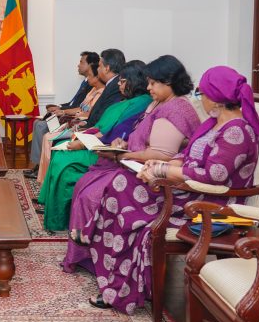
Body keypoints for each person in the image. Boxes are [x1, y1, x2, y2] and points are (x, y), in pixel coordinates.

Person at [70, 65, 259, 314]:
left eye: (202, 93)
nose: (200, 98)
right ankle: (112, 272)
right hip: (187, 190)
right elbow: (187, 155)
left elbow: (214, 176)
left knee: (125, 202)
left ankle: (115, 278)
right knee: (122, 184)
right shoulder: (215, 124)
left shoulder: (236, 131)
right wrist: (157, 165)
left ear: (216, 97)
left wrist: (163, 170)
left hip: (208, 204)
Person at [63, 54, 201, 274]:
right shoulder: (160, 103)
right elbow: (144, 138)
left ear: (168, 82)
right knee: (86, 183)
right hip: (138, 164)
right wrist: (124, 144)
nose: (148, 88)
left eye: (153, 83)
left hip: (158, 179)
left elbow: (161, 154)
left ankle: (104, 261)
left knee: (94, 192)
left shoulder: (175, 109)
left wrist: (123, 155)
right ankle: (89, 255)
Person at [37, 60, 152, 232]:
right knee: (60, 150)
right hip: (99, 142)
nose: (119, 85)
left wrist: (84, 142)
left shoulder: (140, 103)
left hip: (105, 150)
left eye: (122, 81)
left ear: (133, 81)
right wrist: (85, 136)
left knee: (65, 161)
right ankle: (51, 206)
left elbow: (116, 134)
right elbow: (103, 126)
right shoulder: (129, 101)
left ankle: (59, 218)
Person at [26, 51, 98, 175]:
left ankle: (40, 167)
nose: (78, 65)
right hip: (69, 115)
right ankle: (38, 164)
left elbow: (79, 108)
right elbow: (73, 103)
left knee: (41, 126)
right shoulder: (85, 82)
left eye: (81, 62)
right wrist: (59, 107)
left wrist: (62, 111)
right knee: (37, 122)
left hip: (74, 119)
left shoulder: (92, 85)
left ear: (90, 65)